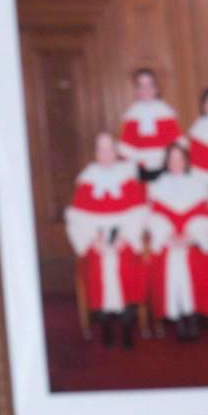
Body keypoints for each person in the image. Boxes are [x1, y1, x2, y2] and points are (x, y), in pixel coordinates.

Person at [64, 132, 148, 349]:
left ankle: (127, 327)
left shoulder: (127, 178)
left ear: (115, 152)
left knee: (128, 267)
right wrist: (93, 241)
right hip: (96, 241)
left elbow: (138, 214)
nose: (106, 154)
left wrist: (125, 238)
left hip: (124, 239)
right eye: (102, 150)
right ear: (96, 154)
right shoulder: (87, 179)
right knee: (95, 270)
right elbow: (77, 219)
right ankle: (106, 327)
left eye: (110, 150)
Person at [145, 142, 208, 341]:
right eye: (172, 159)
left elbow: (205, 216)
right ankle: (179, 317)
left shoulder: (198, 185)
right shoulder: (157, 187)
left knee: (198, 264)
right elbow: (154, 218)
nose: (176, 163)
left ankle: (193, 317)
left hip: (192, 242)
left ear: (186, 161)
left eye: (180, 158)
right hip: (169, 243)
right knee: (166, 266)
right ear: (166, 162)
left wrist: (192, 236)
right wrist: (167, 235)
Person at [118, 67, 182, 181]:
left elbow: (176, 147)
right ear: (136, 90)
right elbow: (126, 150)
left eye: (149, 85)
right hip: (140, 170)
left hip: (165, 169)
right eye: (141, 86)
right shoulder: (131, 117)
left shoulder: (166, 114)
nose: (145, 90)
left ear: (156, 88)